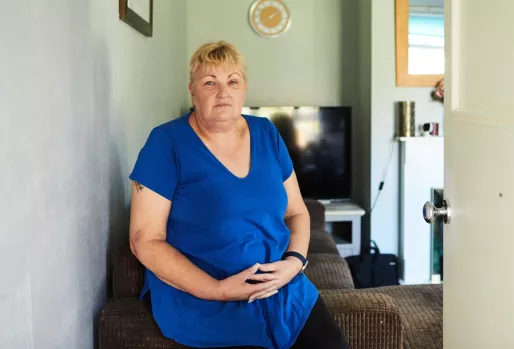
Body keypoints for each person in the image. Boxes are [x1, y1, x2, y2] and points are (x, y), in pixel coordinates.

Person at [128, 41, 349, 349]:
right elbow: (144, 240)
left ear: (244, 88)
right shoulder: (165, 143)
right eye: (210, 82)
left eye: (233, 81)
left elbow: (297, 212)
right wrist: (217, 289)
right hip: (204, 301)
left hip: (284, 292)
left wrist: (295, 262)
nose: (223, 92)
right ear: (192, 90)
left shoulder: (267, 133)